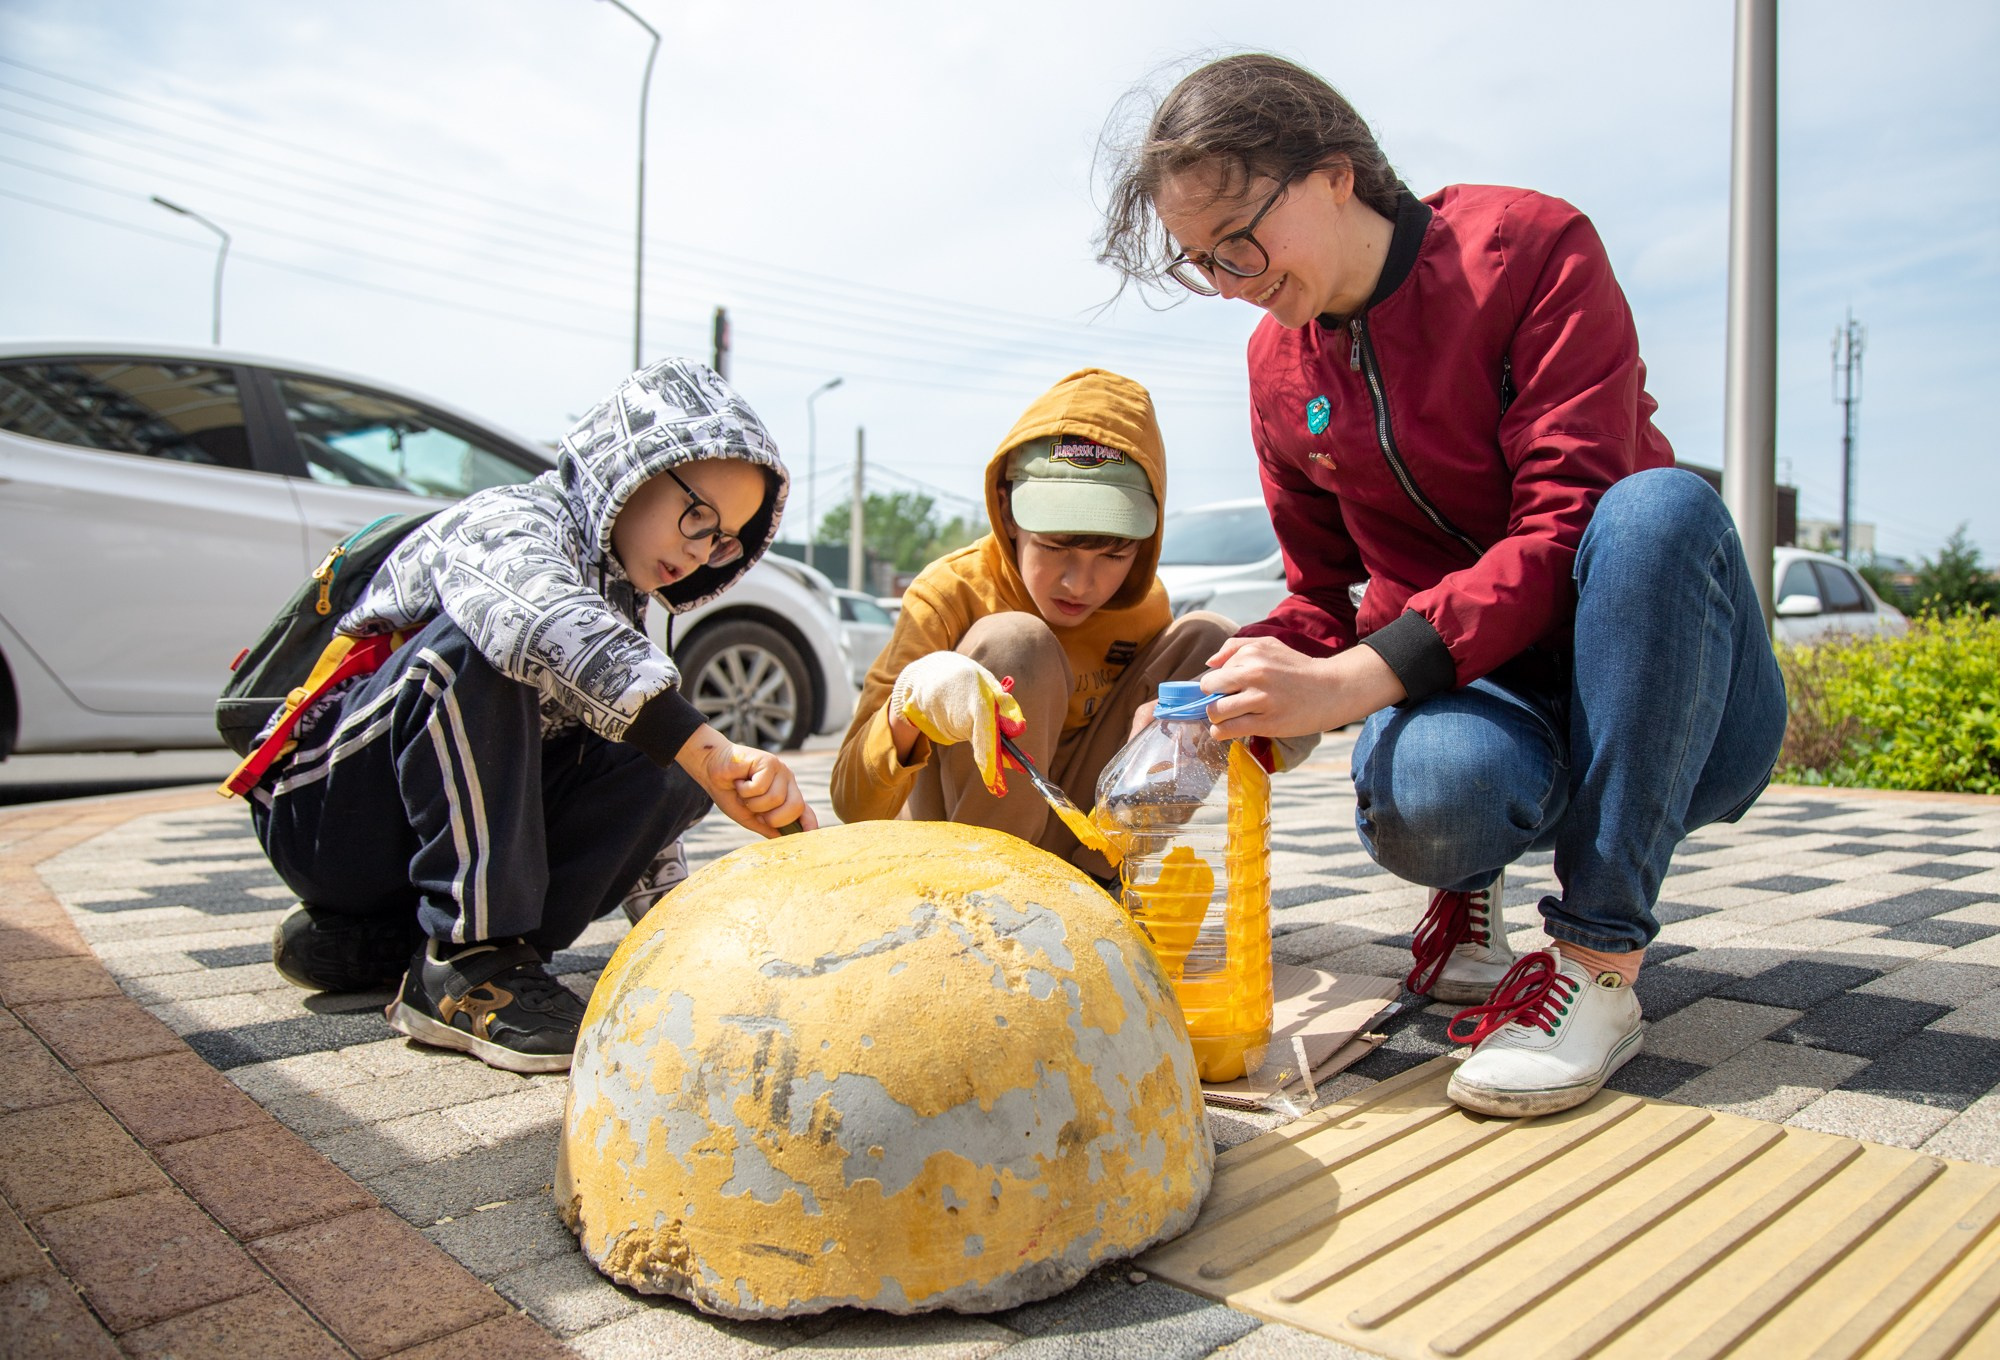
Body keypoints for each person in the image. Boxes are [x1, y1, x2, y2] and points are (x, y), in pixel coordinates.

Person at [1096, 54, 1786, 1117]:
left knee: (1659, 509)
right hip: (1491, 702)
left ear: (1334, 173)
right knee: (1428, 796)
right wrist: (1233, 689)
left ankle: (1596, 964)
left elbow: (1563, 526)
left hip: (1673, 707)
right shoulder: (1278, 367)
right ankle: (1465, 883)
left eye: (1238, 241)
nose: (1230, 283)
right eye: (1201, 263)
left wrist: (1356, 680)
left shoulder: (1529, 250)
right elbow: (1319, 596)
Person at [247, 358, 815, 1074]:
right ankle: (467, 962)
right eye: (698, 515)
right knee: (489, 647)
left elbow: (642, 774)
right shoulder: (506, 521)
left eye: (723, 538)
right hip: (325, 814)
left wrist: (683, 939)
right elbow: (541, 618)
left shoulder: (623, 605)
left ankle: (400, 944)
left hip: (419, 848)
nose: (701, 549)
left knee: (665, 761)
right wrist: (711, 752)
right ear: (629, 467)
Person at [830, 368, 1231, 880]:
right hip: (961, 850)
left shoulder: (1144, 605)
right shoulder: (948, 595)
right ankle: (993, 892)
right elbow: (851, 803)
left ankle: (1103, 882)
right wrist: (913, 707)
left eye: (1114, 555)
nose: (1079, 583)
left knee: (1213, 643)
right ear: (1007, 512)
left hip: (1084, 840)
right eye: (1055, 546)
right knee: (1016, 641)